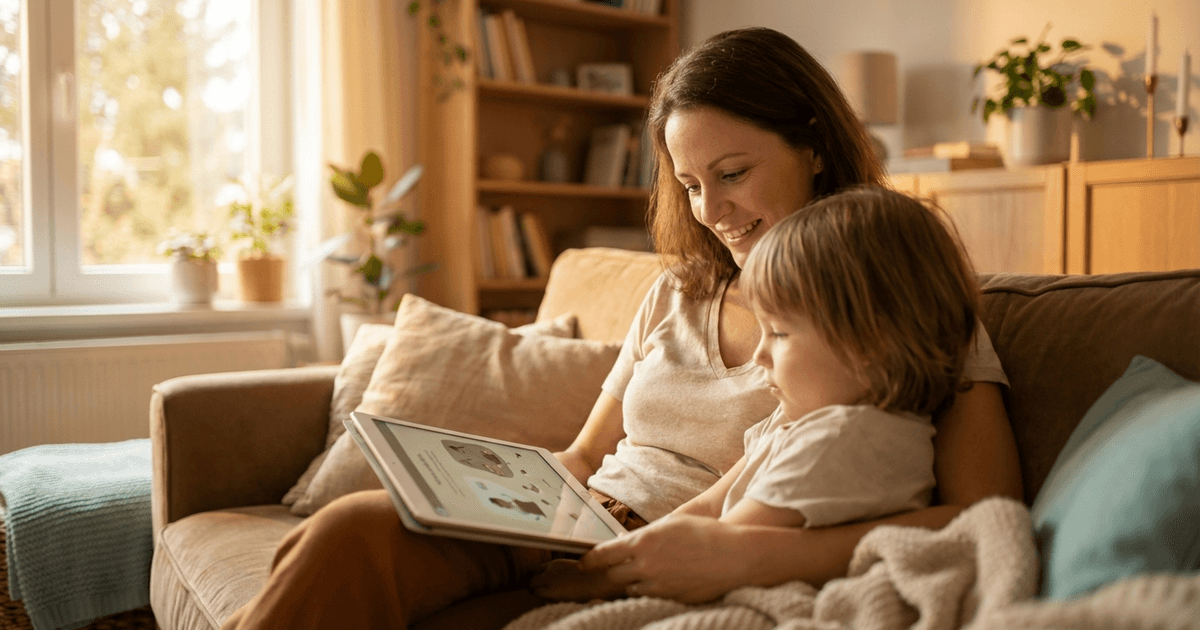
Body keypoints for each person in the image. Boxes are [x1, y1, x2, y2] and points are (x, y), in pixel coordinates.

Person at [220, 27, 1022, 629]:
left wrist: (746, 553)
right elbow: (583, 458)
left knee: (353, 560)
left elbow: (982, 512)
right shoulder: (675, 292)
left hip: (684, 560)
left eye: (733, 174)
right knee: (349, 531)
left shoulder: (890, 296)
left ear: (812, 146)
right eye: (691, 184)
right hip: (580, 525)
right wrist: (479, 488)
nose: (712, 211)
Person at [677, 187, 980, 532]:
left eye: (779, 333)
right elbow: (708, 507)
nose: (759, 355)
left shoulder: (844, 439)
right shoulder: (797, 420)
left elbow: (719, 545)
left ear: (871, 343)